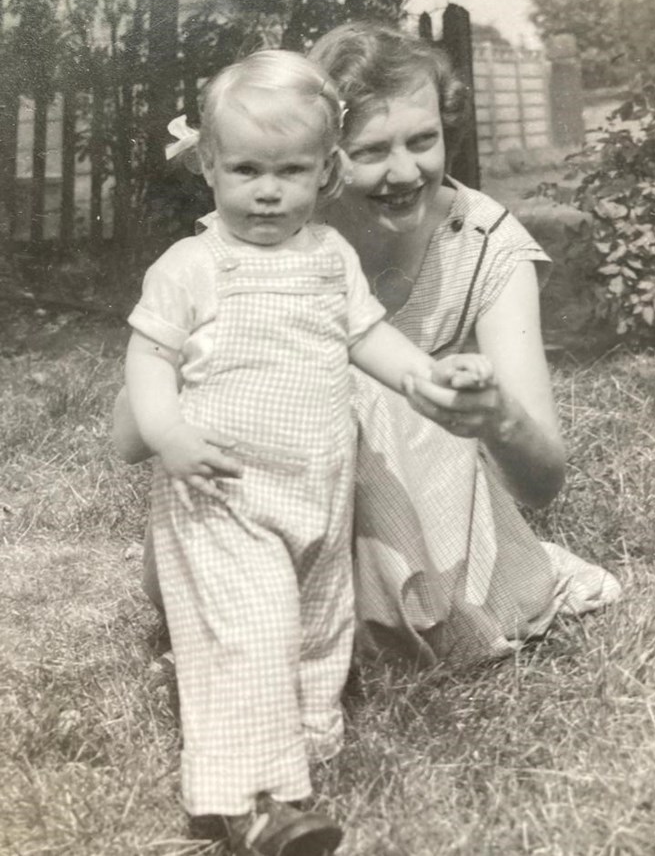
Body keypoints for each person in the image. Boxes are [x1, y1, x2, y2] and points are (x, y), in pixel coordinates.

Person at [115, 24, 620, 665]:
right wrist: (191, 337)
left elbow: (543, 483)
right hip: (261, 508)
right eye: (373, 150)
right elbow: (131, 439)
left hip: (419, 530)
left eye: (423, 140)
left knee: (368, 389)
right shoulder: (266, 225)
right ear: (326, 159)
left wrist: (496, 414)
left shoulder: (487, 245)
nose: (405, 171)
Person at [122, 48, 497, 856]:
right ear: (210, 168)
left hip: (317, 486)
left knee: (314, 627)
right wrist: (171, 434)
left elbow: (367, 336)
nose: (267, 190)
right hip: (221, 489)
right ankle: (255, 801)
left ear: (325, 172)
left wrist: (428, 375)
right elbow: (147, 363)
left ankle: (297, 735)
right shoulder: (193, 265)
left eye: (290, 171)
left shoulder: (328, 257)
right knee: (251, 625)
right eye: (246, 169)